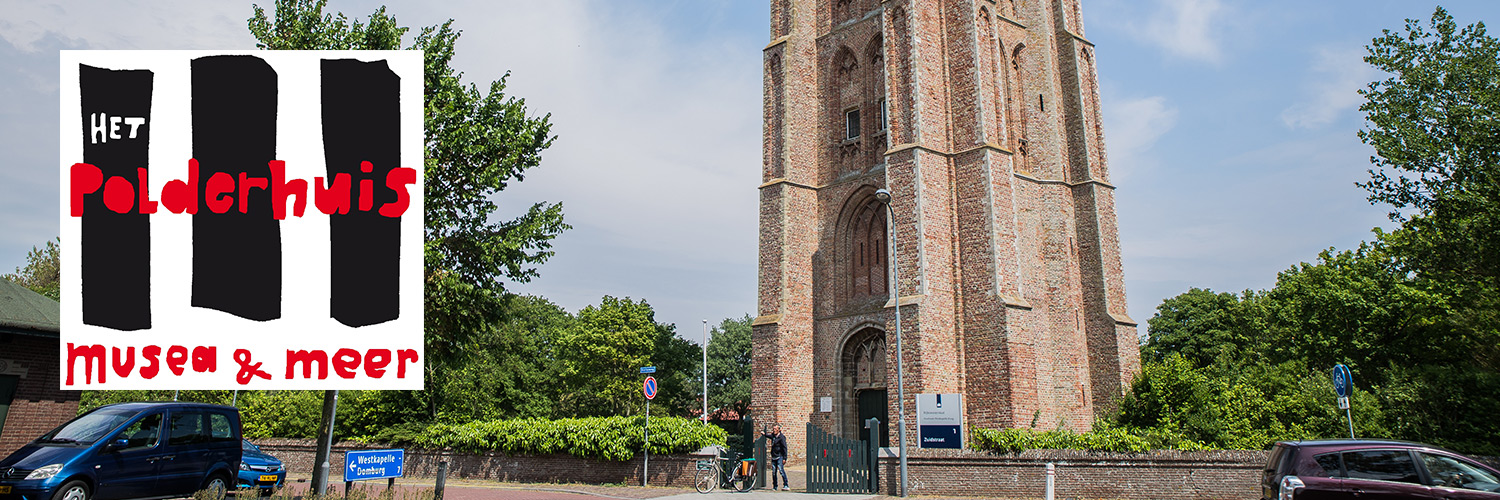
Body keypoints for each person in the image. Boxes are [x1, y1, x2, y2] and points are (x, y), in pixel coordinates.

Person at [762, 424, 790, 490]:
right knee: (774, 472)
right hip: (774, 456)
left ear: (779, 430)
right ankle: (775, 486)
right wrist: (764, 434)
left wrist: (784, 458)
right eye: (773, 429)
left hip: (779, 456)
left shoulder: (781, 437)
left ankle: (786, 484)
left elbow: (784, 448)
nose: (774, 430)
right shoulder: (773, 436)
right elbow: (769, 436)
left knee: (781, 470)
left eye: (775, 429)